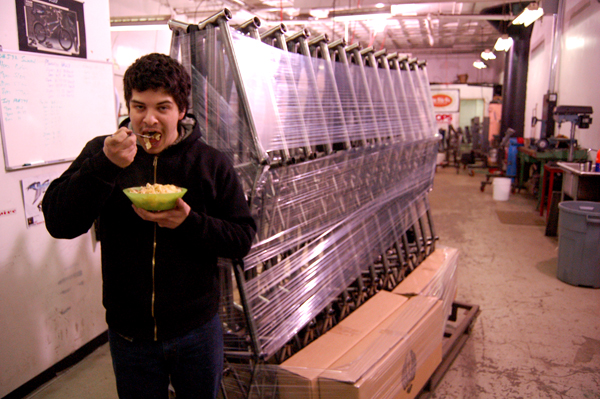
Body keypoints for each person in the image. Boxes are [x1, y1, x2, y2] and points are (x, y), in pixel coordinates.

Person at [42, 53, 256, 399]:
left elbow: (241, 239)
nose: (149, 120)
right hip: (130, 334)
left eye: (163, 108)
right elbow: (59, 221)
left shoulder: (210, 163)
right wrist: (105, 167)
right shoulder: (104, 152)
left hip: (196, 329)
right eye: (139, 107)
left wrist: (189, 222)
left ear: (181, 111)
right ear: (128, 107)